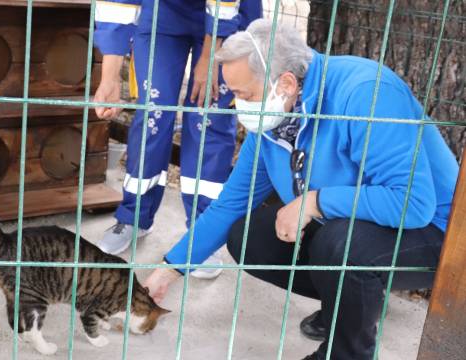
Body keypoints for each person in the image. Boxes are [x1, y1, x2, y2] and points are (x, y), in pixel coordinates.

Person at [142, 19, 459, 360]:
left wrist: (314, 201)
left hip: (435, 233)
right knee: (247, 235)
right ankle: (348, 305)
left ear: (287, 83)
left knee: (340, 245)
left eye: (243, 94)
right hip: (355, 224)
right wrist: (170, 269)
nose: (237, 105)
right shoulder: (274, 119)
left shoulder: (366, 92)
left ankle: (347, 352)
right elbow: (232, 204)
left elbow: (413, 202)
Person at [93, 0, 262, 279]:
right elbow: (117, 4)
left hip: (230, 14)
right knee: (153, 114)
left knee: (209, 117)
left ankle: (203, 231)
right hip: (163, 12)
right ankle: (134, 216)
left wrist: (211, 56)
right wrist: (109, 76)